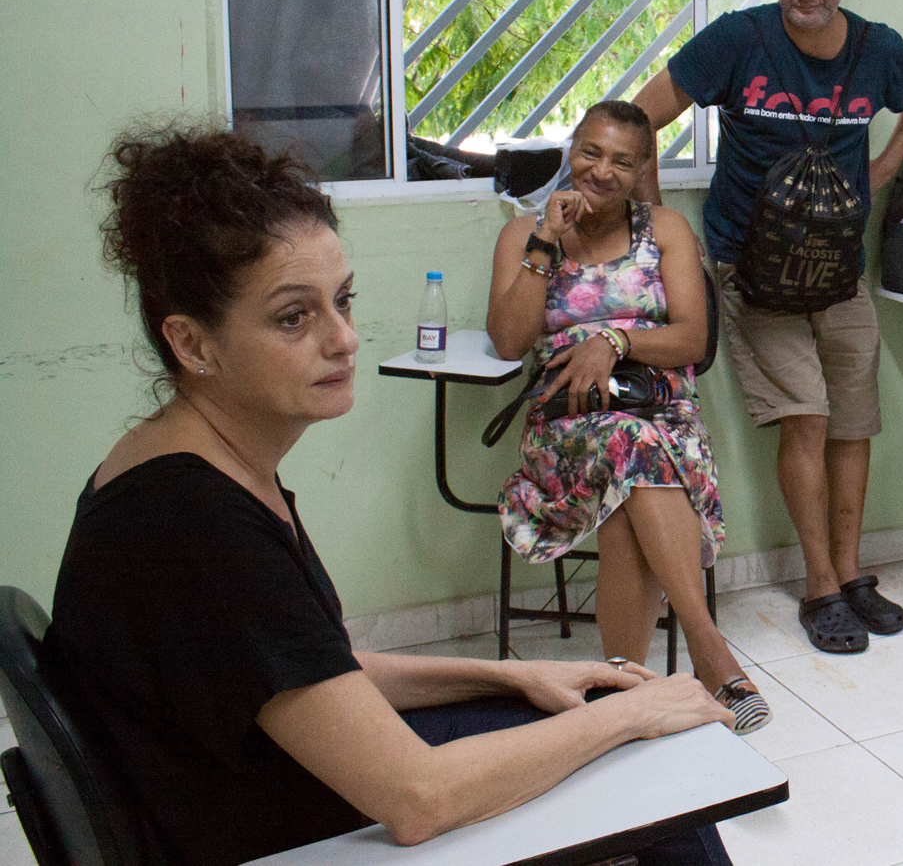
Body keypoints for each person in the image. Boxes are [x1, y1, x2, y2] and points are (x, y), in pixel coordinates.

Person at [48, 126, 734, 866]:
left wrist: (516, 673)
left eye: (342, 300)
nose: (343, 338)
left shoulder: (192, 462)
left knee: (610, 726)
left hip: (279, 790)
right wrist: (632, 717)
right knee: (649, 762)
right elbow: (417, 798)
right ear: (191, 344)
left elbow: (314, 667)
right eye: (293, 316)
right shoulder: (197, 525)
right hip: (289, 834)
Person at [634, 0, 903, 655]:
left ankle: (850, 570)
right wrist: (662, 230)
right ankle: (819, 584)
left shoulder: (875, 50)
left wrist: (888, 164)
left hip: (839, 268)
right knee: (804, 416)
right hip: (752, 268)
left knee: (853, 420)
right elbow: (640, 116)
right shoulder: (739, 40)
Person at [488, 100, 765, 734]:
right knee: (629, 453)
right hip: (566, 430)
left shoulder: (664, 229)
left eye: (622, 160)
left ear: (643, 168)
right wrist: (545, 245)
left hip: (661, 415)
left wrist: (613, 341)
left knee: (631, 470)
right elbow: (508, 340)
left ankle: (621, 694)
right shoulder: (525, 235)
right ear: (571, 151)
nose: (602, 171)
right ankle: (707, 648)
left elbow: (693, 340)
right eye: (590, 152)